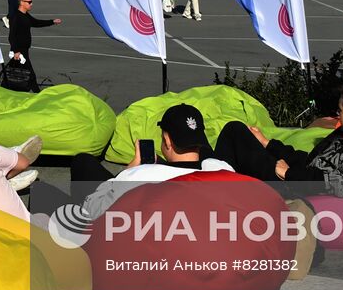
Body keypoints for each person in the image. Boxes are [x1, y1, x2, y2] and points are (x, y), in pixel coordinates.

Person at [45, 103, 234, 246]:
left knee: (48, 191)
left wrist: (126, 172)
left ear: (167, 141)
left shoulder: (140, 176)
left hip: (123, 241)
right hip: (187, 236)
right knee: (85, 162)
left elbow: (91, 211)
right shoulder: (223, 170)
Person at [213, 83, 343, 198]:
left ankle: (213, 189)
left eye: (340, 110)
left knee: (234, 133)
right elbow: (312, 161)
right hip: (296, 175)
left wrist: (288, 174)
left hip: (297, 188)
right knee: (236, 133)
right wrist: (268, 144)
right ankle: (215, 182)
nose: (337, 115)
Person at [8, 0, 61, 88]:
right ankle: (36, 92)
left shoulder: (25, 15)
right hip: (20, 51)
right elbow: (12, 35)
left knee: (14, 71)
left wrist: (52, 22)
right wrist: (16, 51)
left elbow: (36, 23)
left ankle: (7, 87)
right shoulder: (16, 16)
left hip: (24, 49)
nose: (31, 4)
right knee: (30, 74)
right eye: (29, 2)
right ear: (21, 2)